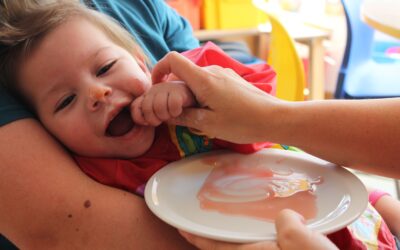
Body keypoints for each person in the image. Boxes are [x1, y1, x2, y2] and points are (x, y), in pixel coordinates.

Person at [148, 51, 400, 249]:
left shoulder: (194, 91)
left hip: (370, 225)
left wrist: (184, 88)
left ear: (142, 63)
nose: (105, 91)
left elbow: (258, 81)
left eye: (108, 67)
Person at [0, 0, 200, 248]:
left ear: (141, 61)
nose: (96, 93)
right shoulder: (93, 176)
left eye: (105, 68)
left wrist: (192, 92)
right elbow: (57, 231)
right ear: (46, 134)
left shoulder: (178, 83)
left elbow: (249, 89)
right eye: (66, 101)